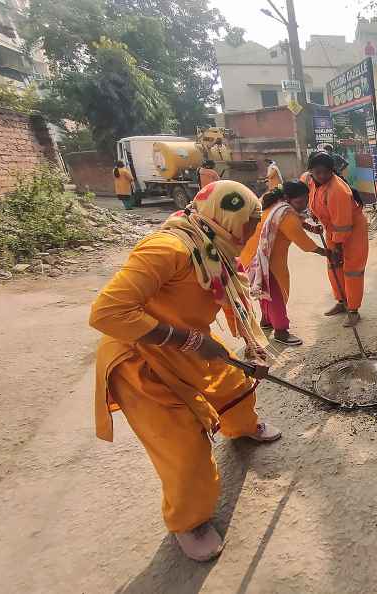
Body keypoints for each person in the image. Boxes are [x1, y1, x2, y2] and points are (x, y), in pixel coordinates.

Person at [89, 180, 278, 562]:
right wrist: (190, 341)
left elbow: (230, 299)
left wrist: (255, 346)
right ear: (223, 217)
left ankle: (241, 427)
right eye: (249, 222)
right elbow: (106, 313)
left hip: (187, 344)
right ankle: (188, 521)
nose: (251, 231)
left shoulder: (214, 246)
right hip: (141, 361)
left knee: (236, 382)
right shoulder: (167, 248)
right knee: (184, 450)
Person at [239, 181, 329, 346]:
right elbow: (304, 243)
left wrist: (309, 226)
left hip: (251, 255)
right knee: (276, 295)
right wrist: (328, 253)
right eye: (299, 202)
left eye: (305, 200)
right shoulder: (286, 214)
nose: (303, 205)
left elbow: (295, 221)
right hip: (264, 260)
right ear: (287, 198)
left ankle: (266, 321)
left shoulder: (276, 205)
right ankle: (281, 331)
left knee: (264, 289)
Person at [303, 151, 369, 328]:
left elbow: (343, 223)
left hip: (352, 230)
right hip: (334, 229)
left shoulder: (337, 190)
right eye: (318, 172)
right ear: (311, 172)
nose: (322, 176)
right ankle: (342, 302)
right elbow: (315, 201)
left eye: (326, 172)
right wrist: (315, 215)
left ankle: (353, 310)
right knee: (334, 265)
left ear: (332, 170)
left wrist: (338, 246)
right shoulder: (311, 182)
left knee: (352, 270)